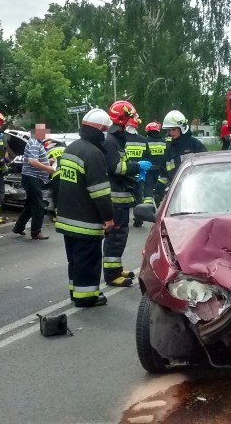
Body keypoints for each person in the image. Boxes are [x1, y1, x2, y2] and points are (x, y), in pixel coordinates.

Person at [55, 108, 116, 307]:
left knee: (75, 260)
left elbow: (57, 181)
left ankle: (76, 292)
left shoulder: (70, 148)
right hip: (86, 220)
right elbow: (100, 193)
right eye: (106, 129)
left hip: (66, 218)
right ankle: (86, 297)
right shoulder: (94, 153)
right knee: (88, 261)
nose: (107, 133)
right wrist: (108, 218)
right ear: (100, 129)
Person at [102, 100, 152, 287]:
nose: (133, 121)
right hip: (115, 198)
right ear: (122, 118)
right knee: (115, 236)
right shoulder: (111, 141)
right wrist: (136, 166)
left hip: (120, 194)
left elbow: (121, 167)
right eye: (130, 117)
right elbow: (115, 167)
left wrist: (134, 176)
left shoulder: (117, 138)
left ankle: (115, 268)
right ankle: (112, 274)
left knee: (120, 235)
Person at [12, 123, 56, 240]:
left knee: (30, 205)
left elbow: (36, 159)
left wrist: (48, 161)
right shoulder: (34, 143)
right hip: (32, 178)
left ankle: (19, 227)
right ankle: (36, 232)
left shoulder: (36, 143)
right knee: (39, 205)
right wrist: (48, 168)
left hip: (32, 178)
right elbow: (32, 161)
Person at [154, 110, 207, 202]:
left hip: (197, 191)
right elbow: (164, 174)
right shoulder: (169, 149)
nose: (170, 133)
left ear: (182, 127)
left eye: (173, 129)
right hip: (176, 195)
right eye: (168, 130)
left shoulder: (194, 144)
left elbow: (206, 167)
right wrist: (159, 191)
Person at [124, 115, 150, 227]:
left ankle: (123, 220)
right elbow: (148, 159)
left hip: (124, 173)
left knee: (122, 199)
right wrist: (144, 172)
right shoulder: (143, 140)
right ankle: (139, 219)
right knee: (139, 198)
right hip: (138, 174)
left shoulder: (121, 139)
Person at [143, 121, 166, 207]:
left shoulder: (145, 141)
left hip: (149, 169)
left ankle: (148, 207)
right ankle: (160, 202)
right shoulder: (164, 142)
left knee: (148, 187)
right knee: (160, 187)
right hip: (161, 170)